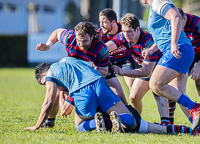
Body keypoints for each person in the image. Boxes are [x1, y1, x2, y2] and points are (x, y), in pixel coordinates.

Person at [25, 57, 198, 135]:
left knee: (80, 125)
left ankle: (98, 122)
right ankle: (191, 131)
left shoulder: (50, 74)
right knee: (129, 119)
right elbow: (93, 71)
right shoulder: (69, 60)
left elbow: (49, 101)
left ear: (42, 76)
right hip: (100, 83)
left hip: (83, 92)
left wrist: (38, 125)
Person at [135, 0, 200, 131]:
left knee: (155, 84)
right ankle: (198, 126)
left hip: (179, 50)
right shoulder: (154, 5)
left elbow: (175, 16)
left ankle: (195, 108)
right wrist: (152, 49)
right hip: (182, 50)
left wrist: (173, 44)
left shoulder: (158, 0)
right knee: (179, 93)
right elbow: (164, 32)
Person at [35, 21, 110, 127]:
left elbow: (104, 72)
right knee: (56, 92)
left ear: (92, 36)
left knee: (116, 93)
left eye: (85, 41)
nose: (81, 44)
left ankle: (116, 116)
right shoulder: (69, 37)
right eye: (79, 41)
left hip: (92, 75)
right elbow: (57, 33)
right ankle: (49, 122)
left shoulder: (101, 49)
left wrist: (73, 96)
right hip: (72, 73)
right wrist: (48, 46)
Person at [105, 13, 170, 125]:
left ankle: (166, 124)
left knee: (158, 89)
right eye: (124, 31)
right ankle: (137, 122)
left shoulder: (147, 43)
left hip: (162, 66)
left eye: (129, 31)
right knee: (134, 97)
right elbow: (107, 48)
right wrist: (94, 51)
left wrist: (122, 72)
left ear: (137, 29)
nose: (126, 35)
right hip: (148, 68)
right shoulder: (123, 36)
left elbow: (146, 71)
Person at [168, 8, 200, 125]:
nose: (176, 25)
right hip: (185, 55)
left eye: (178, 22)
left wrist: (198, 66)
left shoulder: (197, 23)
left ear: (184, 18)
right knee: (170, 85)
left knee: (199, 81)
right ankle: (169, 122)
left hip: (198, 55)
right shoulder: (171, 22)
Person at [98, 8, 136, 104]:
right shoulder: (99, 35)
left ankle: (135, 116)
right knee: (119, 95)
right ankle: (125, 112)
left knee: (134, 90)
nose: (101, 25)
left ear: (113, 22)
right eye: (100, 22)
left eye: (104, 22)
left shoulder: (124, 29)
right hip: (109, 62)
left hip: (125, 60)